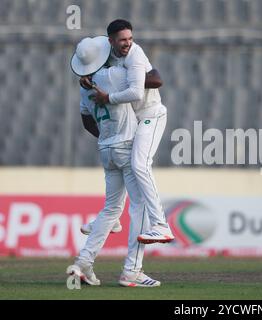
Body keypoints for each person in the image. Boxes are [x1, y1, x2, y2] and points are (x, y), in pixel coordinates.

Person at [67, 36, 160, 287]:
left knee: (111, 209)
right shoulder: (116, 75)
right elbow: (154, 79)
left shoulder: (84, 87)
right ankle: (132, 271)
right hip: (127, 146)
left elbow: (87, 121)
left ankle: (83, 263)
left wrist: (108, 134)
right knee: (139, 206)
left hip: (106, 149)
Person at [82, 19, 174, 244]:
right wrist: (87, 79)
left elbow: (137, 92)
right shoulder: (107, 56)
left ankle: (161, 225)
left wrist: (108, 97)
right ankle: (110, 218)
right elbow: (97, 73)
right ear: (111, 41)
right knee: (126, 164)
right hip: (134, 121)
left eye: (130, 38)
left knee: (139, 164)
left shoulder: (135, 53)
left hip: (151, 115)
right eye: (123, 39)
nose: (128, 43)